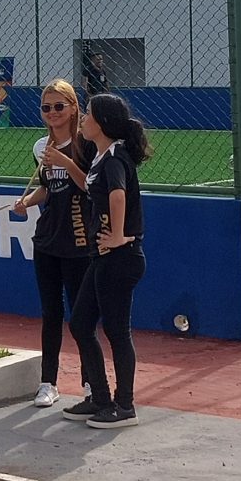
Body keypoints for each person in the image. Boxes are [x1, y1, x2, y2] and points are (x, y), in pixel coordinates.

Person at [64, 92, 149, 429]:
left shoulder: (115, 158)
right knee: (80, 324)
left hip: (120, 258)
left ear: (101, 122)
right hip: (102, 258)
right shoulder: (101, 156)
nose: (83, 120)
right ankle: (100, 398)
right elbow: (93, 189)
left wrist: (117, 234)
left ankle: (124, 405)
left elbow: (117, 196)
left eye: (87, 114)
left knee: (116, 331)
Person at [12, 80, 95, 409]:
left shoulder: (86, 144)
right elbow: (47, 189)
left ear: (73, 107)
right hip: (47, 239)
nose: (52, 113)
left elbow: (89, 186)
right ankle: (49, 382)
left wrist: (65, 162)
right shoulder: (40, 147)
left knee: (82, 316)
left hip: (78, 239)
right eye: (46, 107)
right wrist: (26, 202)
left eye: (59, 106)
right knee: (51, 313)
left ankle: (91, 382)